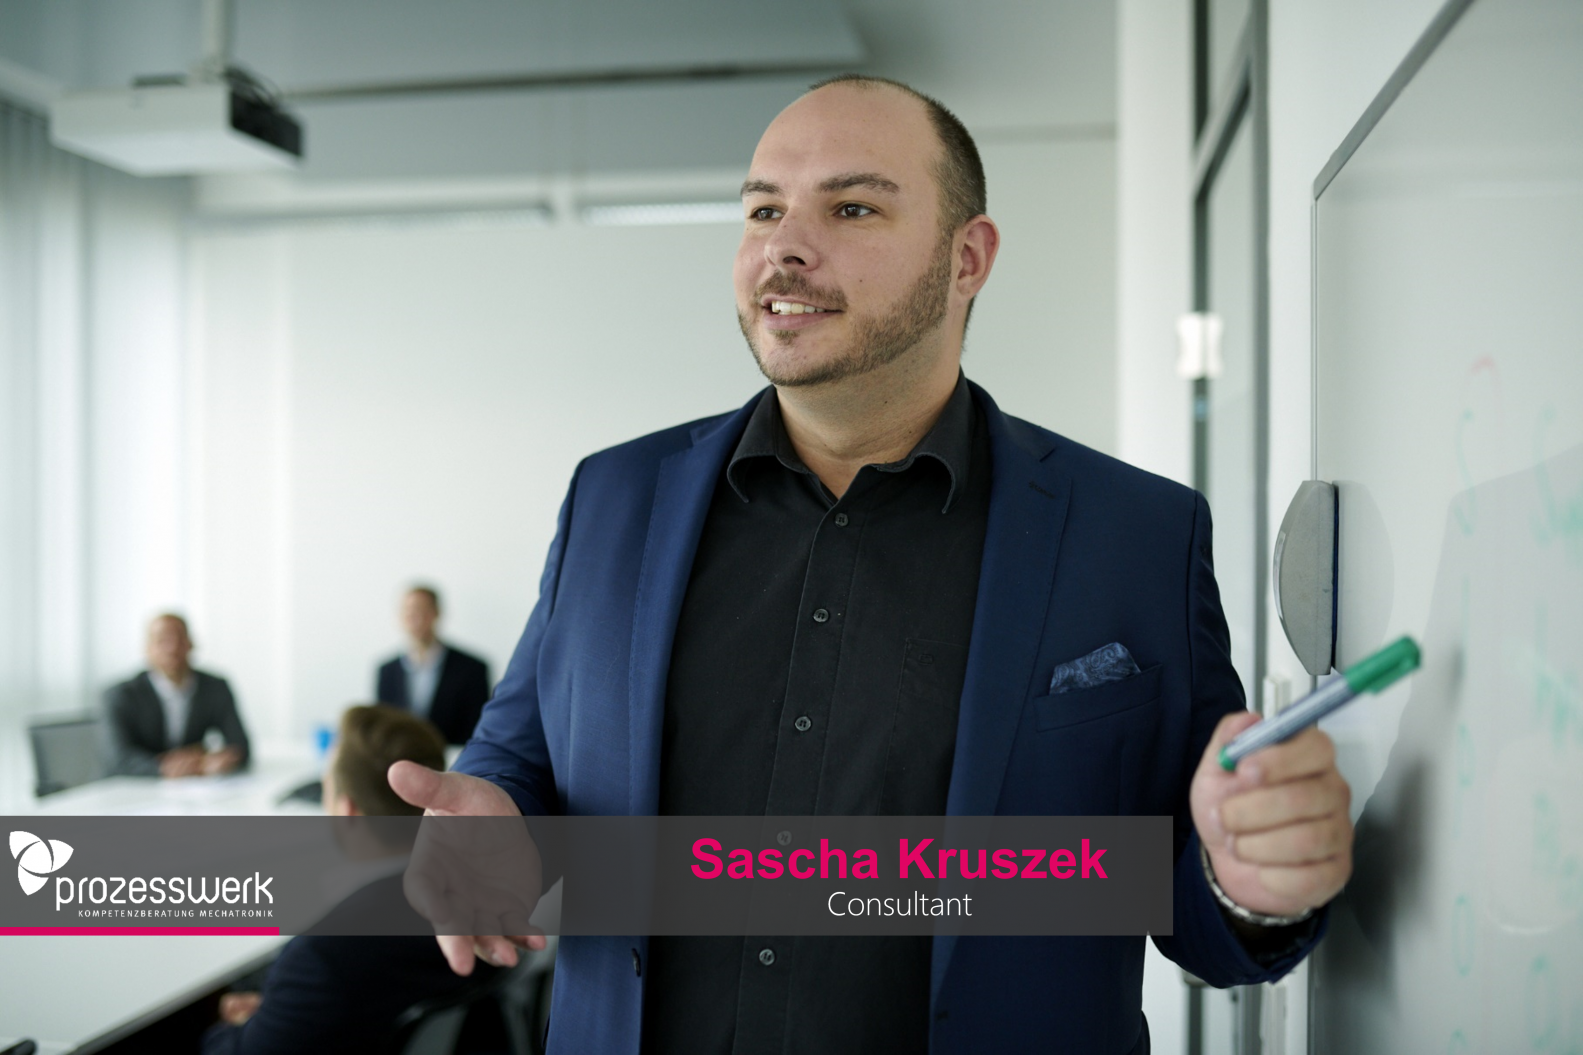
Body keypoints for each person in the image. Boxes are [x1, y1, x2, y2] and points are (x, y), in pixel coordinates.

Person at [389, 75, 1355, 1053]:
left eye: (850, 208)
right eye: (763, 209)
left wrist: (1248, 880)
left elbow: (1194, 890)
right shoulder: (613, 499)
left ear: (966, 258)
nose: (785, 245)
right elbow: (519, 753)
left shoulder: (1134, 534)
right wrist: (488, 812)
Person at [204, 705, 497, 1054]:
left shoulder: (322, 955)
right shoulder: (483, 897)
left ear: (348, 811)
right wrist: (283, 1013)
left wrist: (238, 1026)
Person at [103, 613, 250, 778]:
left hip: (195, 785)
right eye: (162, 641)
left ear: (191, 644)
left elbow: (241, 746)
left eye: (180, 639)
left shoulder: (215, 687)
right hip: (134, 786)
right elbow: (118, 759)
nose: (172, 648)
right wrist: (164, 768)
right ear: (147, 649)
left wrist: (221, 759)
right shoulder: (120, 696)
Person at [376, 585, 492, 745]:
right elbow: (383, 728)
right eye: (409, 612)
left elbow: (478, 729)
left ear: (436, 613)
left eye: (422, 611)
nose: (416, 620)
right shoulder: (387, 671)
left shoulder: (472, 669)